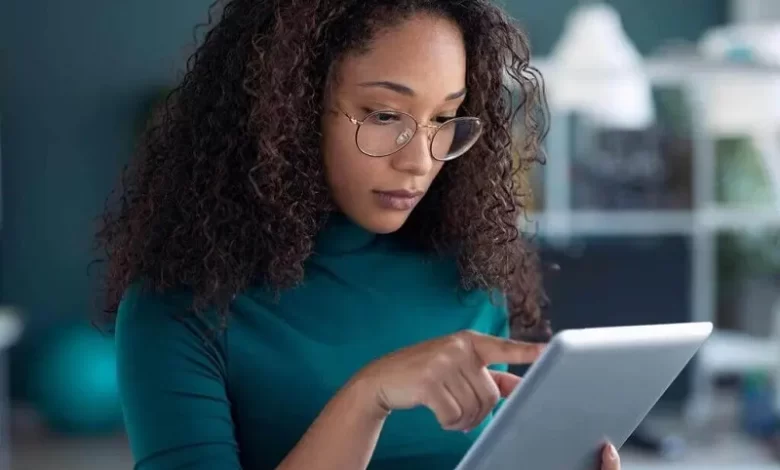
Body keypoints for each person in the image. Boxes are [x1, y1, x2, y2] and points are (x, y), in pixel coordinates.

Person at [95, 0, 622, 469]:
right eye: (385, 114)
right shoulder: (179, 310)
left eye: (444, 117)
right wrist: (368, 397)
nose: (418, 160)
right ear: (292, 109)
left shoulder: (469, 279)